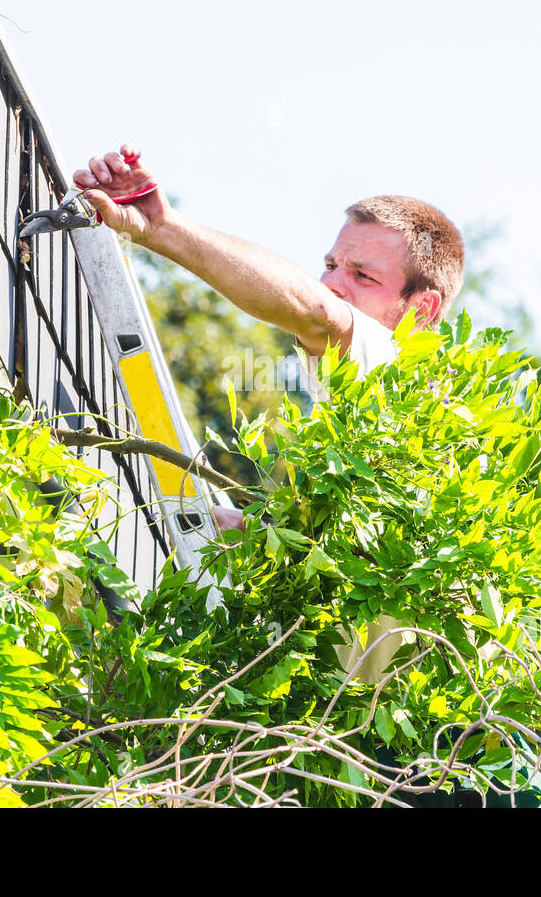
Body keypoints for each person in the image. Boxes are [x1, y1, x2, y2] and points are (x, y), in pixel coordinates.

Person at [70, 144, 465, 684]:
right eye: (329, 265)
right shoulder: (389, 416)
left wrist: (159, 227)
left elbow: (316, 311)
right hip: (353, 729)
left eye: (362, 277)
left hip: (416, 751)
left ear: (420, 310)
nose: (333, 284)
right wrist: (259, 529)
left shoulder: (401, 368)